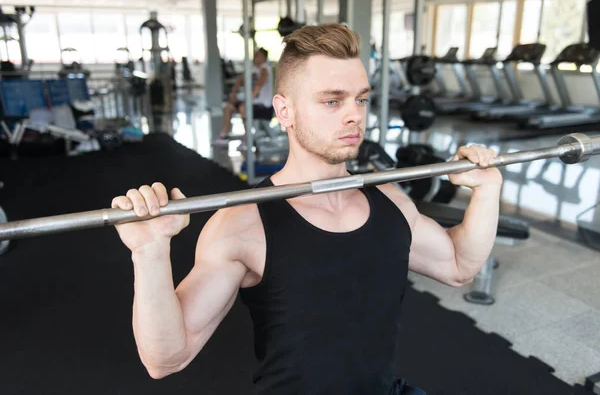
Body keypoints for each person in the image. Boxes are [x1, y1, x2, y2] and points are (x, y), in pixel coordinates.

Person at [111, 24, 502, 395]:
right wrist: (149, 253)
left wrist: (487, 190)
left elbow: (457, 265)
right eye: (332, 101)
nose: (355, 115)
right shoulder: (243, 225)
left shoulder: (391, 201)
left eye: (360, 99)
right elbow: (166, 359)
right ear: (285, 111)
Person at [213, 47, 274, 145]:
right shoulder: (252, 69)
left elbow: (258, 86)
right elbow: (239, 80)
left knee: (243, 107)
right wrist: (233, 94)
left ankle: (247, 137)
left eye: (257, 55)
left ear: (263, 57)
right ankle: (224, 134)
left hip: (264, 106)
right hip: (251, 103)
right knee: (228, 107)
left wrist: (245, 99)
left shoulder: (265, 69)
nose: (254, 57)